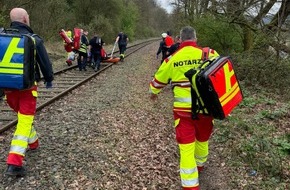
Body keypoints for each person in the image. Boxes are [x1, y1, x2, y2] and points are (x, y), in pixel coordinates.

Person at [149, 26, 219, 190]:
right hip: (206, 110)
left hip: (183, 113)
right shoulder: (209, 54)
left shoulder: (172, 59)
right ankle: (200, 166)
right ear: (196, 39)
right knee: (202, 139)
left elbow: (157, 83)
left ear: (180, 40)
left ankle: (190, 186)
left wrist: (153, 93)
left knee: (186, 148)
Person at [4, 7, 54, 177]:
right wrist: (49, 79)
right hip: (27, 91)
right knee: (24, 123)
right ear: (25, 19)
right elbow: (45, 64)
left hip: (8, 92)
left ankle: (33, 143)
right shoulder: (33, 39)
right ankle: (14, 163)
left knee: (24, 119)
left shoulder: (3, 37)